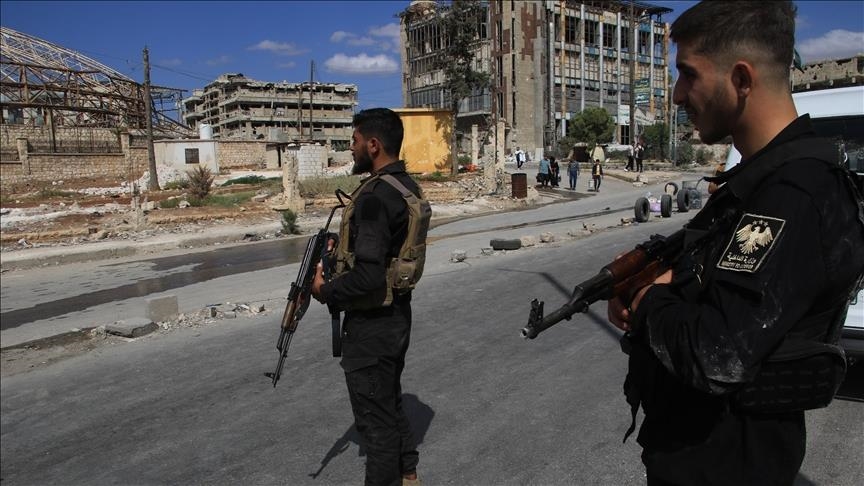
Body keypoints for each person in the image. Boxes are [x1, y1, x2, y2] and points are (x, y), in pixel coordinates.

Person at [606, 2, 864, 485]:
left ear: (741, 79)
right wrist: (651, 283)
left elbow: (717, 353)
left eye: (688, 74)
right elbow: (712, 283)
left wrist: (647, 301)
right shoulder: (757, 182)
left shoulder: (793, 194)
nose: (678, 94)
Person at [312, 108, 425, 486]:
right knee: (388, 402)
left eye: (355, 140)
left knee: (376, 428)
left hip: (373, 327)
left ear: (373, 145)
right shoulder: (404, 186)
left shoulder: (375, 197)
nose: (351, 148)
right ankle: (409, 474)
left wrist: (324, 290)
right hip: (396, 318)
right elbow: (385, 249)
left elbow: (369, 277)